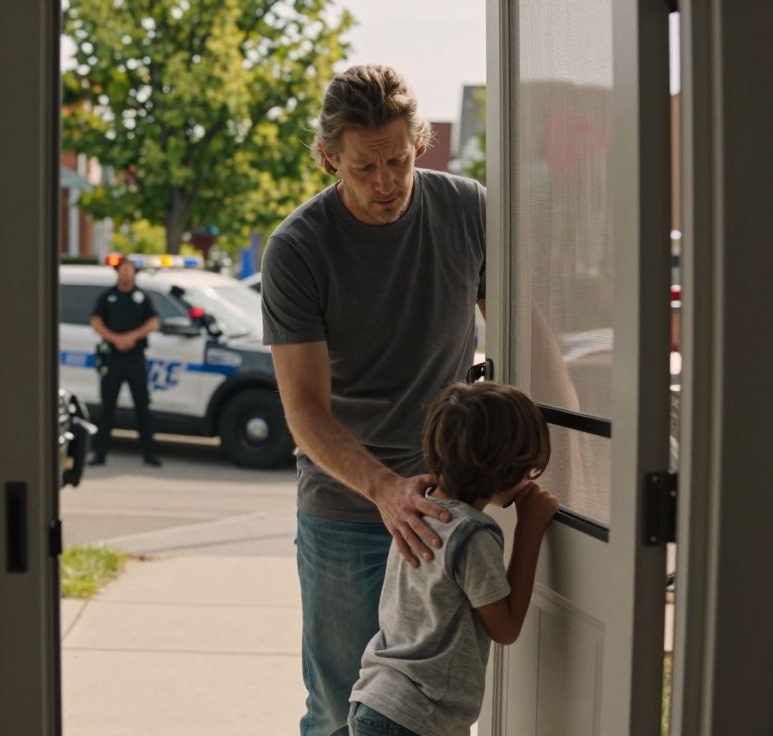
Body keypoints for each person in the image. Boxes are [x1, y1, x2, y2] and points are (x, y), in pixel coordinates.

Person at [261, 64, 487, 735]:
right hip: (346, 510)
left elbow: (528, 332)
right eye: (365, 168)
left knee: (436, 710)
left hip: (447, 508)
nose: (387, 183)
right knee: (339, 710)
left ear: (420, 141)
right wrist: (385, 490)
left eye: (398, 160)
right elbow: (303, 408)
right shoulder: (299, 249)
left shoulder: (469, 210)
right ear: (330, 157)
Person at [348, 381, 558, 736]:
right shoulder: (472, 535)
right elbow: (505, 628)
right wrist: (530, 529)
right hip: (414, 719)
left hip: (375, 701)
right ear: (505, 467)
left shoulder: (418, 511)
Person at [89, 255, 161, 468]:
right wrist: (116, 339)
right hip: (112, 358)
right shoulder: (107, 297)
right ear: (117, 272)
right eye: (122, 269)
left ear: (134, 272)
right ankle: (99, 454)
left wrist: (132, 337)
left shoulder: (142, 296)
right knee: (107, 408)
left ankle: (150, 454)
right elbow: (96, 321)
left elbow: (154, 322)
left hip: (135, 358)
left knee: (142, 407)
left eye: (129, 269)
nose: (126, 272)